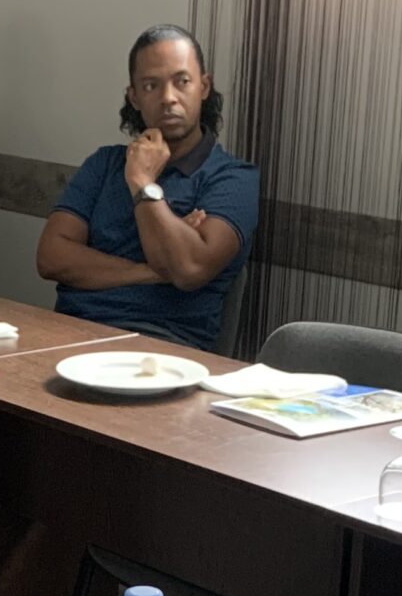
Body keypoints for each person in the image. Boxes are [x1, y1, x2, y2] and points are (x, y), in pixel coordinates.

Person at [35, 24, 259, 352]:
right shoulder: (104, 164)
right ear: (134, 97)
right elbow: (51, 258)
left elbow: (188, 269)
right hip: (69, 332)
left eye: (182, 81)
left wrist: (142, 183)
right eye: (151, 85)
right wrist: (152, 271)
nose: (168, 98)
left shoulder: (233, 178)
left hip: (164, 346)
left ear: (204, 87)